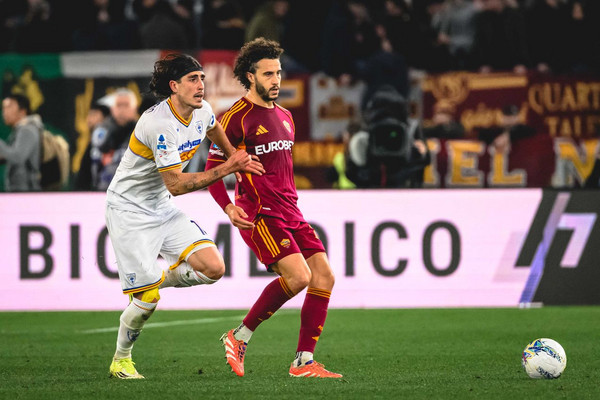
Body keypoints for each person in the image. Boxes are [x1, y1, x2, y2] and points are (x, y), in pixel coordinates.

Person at [105, 53, 264, 379]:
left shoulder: (202, 110)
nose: (201, 85)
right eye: (193, 79)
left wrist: (236, 158)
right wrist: (228, 167)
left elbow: (213, 128)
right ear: (174, 86)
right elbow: (176, 185)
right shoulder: (159, 124)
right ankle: (121, 359)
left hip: (160, 206)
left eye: (202, 78)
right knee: (148, 300)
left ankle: (159, 278)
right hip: (129, 211)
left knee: (213, 268)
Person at [205, 38, 342, 379]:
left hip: (290, 210)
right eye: (268, 74)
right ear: (250, 76)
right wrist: (228, 207)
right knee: (299, 277)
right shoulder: (234, 118)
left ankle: (303, 361)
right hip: (260, 213)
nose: (276, 80)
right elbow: (213, 170)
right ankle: (239, 336)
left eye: (278, 73)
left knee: (324, 276)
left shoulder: (285, 116)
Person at [0, 93, 43, 191]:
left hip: (26, 192)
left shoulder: (27, 130)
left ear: (22, 111)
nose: (4, 111)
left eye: (9, 107)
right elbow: (10, 155)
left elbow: (18, 157)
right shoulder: (20, 130)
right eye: (4, 107)